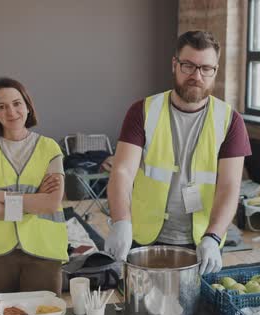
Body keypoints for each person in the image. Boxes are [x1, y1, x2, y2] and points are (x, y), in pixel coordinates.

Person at [104, 30, 251, 275]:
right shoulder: (142, 111)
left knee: (197, 311)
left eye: (206, 68)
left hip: (202, 242)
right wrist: (121, 222)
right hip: (144, 236)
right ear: (175, 64)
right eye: (188, 66)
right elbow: (122, 171)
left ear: (216, 70)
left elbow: (229, 186)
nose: (196, 75)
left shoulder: (230, 120)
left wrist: (214, 236)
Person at [0, 77, 68, 299]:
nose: (11, 111)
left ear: (28, 107)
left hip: (43, 250)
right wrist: (33, 201)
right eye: (2, 106)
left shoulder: (50, 148)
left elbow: (50, 204)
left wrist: (3, 197)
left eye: (17, 103)